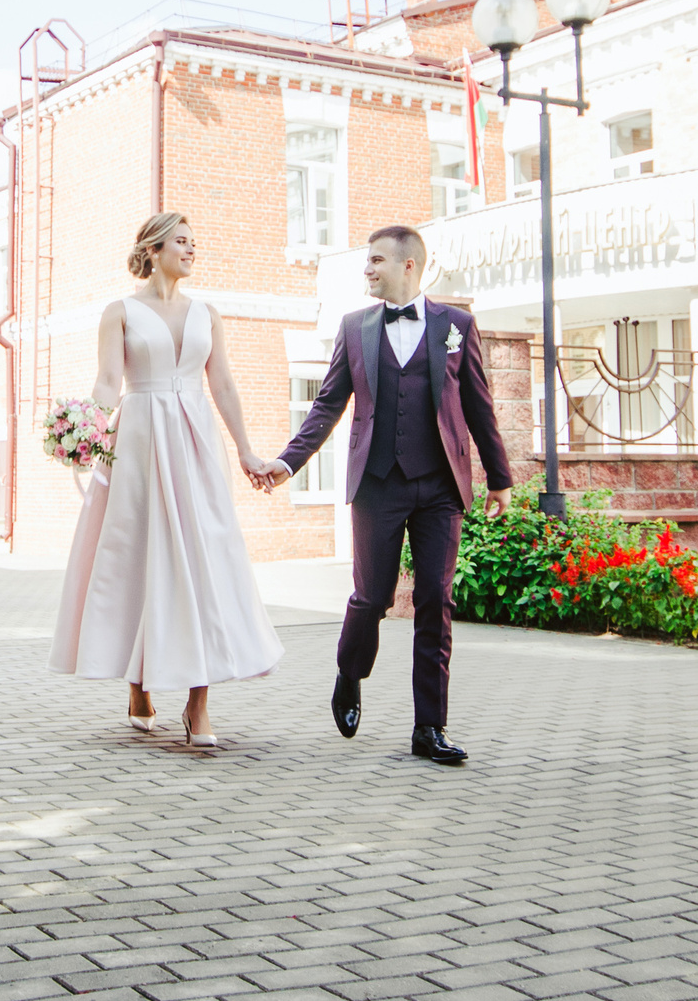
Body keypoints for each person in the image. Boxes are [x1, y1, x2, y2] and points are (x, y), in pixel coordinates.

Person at [253, 225, 512, 766]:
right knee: (371, 598)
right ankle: (350, 673)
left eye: (375, 261)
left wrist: (500, 477)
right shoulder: (354, 329)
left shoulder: (456, 326)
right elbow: (326, 406)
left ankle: (429, 728)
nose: (367, 270)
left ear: (408, 265)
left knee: (435, 602)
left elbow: (479, 405)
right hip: (377, 483)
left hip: (441, 484)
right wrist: (287, 461)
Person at [48, 211, 284, 746]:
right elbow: (109, 382)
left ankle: (199, 702)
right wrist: (82, 430)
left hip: (197, 442)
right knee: (140, 560)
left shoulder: (208, 313)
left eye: (195, 242)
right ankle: (138, 679)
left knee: (206, 559)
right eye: (182, 241)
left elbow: (221, 383)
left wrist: (246, 450)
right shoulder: (120, 312)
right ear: (153, 250)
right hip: (138, 442)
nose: (192, 249)